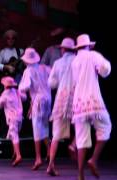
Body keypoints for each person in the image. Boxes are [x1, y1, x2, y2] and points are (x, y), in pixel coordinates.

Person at [71, 34, 112, 180]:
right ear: (88, 45)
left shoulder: (75, 61)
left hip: (79, 103)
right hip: (93, 101)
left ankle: (80, 174)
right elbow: (105, 69)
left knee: (81, 139)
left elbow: (74, 82)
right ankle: (93, 159)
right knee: (106, 126)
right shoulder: (93, 55)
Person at [46, 37, 76, 176]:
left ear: (63, 49)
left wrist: (60, 81)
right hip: (76, 97)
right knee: (85, 125)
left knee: (56, 134)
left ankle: (51, 163)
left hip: (62, 98)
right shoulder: (78, 60)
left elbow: (51, 83)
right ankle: (73, 145)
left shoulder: (57, 63)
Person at [18, 48, 51, 170]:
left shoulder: (29, 70)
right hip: (48, 99)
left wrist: (19, 88)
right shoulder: (45, 68)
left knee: (37, 129)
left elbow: (25, 86)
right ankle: (48, 152)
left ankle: (38, 158)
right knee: (45, 127)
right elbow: (53, 80)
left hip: (38, 100)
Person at [0, 76, 23, 166]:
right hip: (19, 118)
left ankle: (18, 155)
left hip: (12, 118)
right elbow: (24, 97)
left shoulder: (5, 94)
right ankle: (15, 153)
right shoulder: (16, 92)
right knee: (14, 135)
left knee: (14, 136)